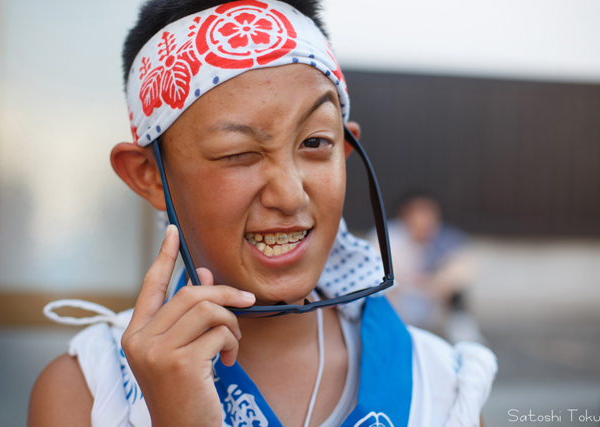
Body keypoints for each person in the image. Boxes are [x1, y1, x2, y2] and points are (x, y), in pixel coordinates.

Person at [28, 1, 497, 426]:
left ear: (346, 148)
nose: (290, 196)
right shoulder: (89, 393)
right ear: (150, 176)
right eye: (237, 153)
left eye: (315, 143)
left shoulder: (442, 386)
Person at [366, 192, 485, 344]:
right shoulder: (387, 237)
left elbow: (465, 266)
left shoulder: (446, 238)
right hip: (398, 300)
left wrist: (437, 282)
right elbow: (378, 272)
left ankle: (461, 332)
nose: (423, 220)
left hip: (431, 299)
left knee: (458, 290)